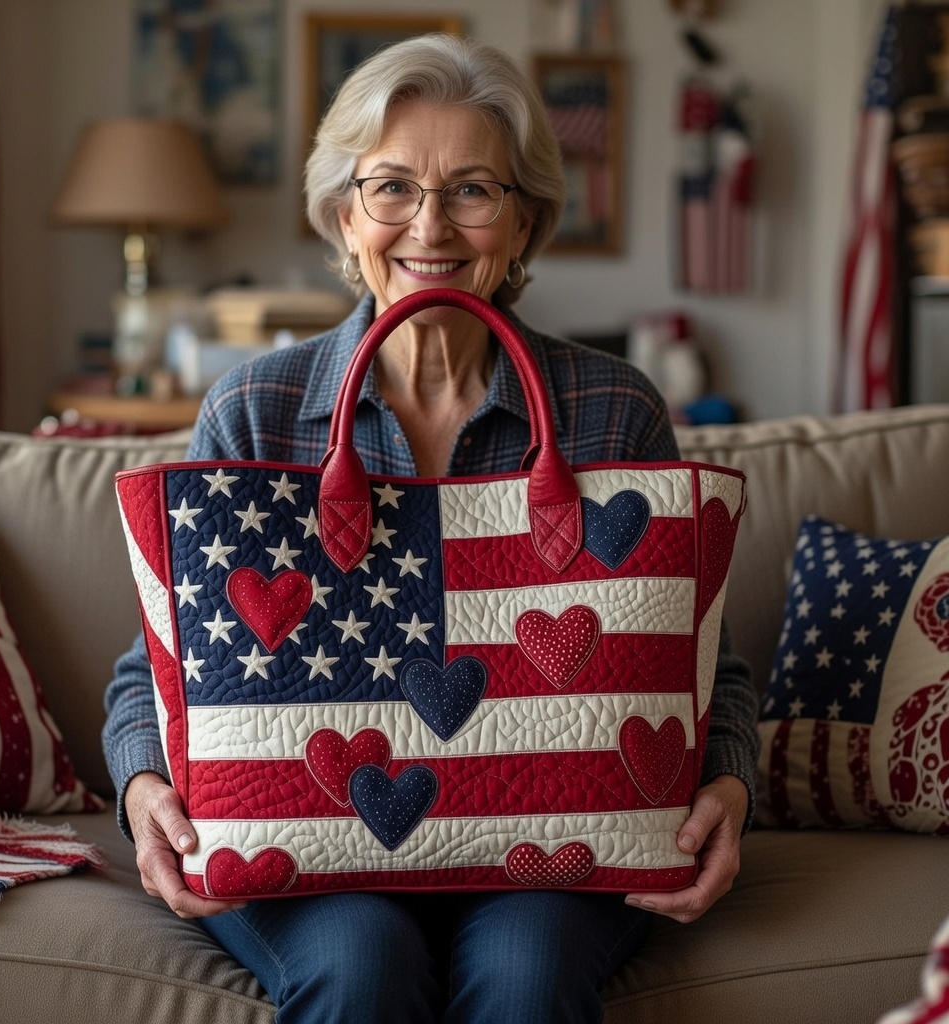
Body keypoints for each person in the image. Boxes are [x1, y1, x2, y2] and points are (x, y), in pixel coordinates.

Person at [103, 32, 760, 1024]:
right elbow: (159, 662)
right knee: (357, 965)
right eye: (393, 187)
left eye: (471, 190)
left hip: (554, 842)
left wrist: (728, 786)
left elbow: (698, 654)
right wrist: (146, 793)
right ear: (343, 212)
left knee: (527, 975)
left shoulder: (610, 409)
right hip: (311, 844)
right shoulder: (256, 410)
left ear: (524, 219)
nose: (430, 224)